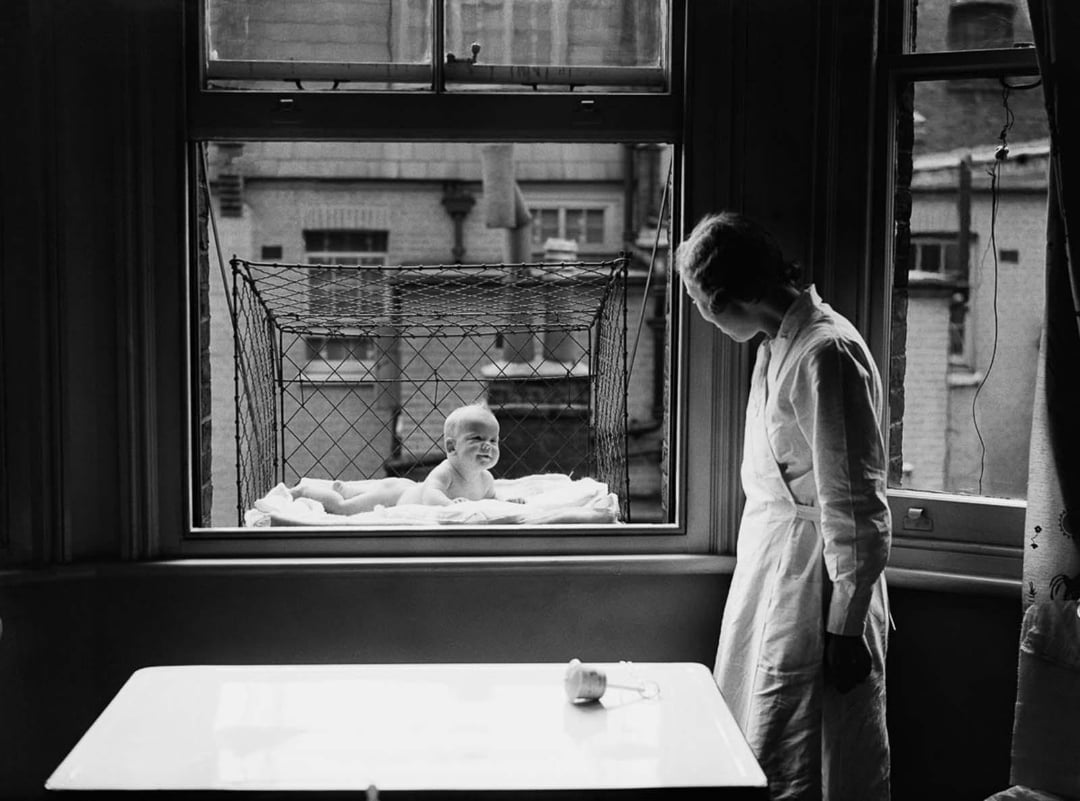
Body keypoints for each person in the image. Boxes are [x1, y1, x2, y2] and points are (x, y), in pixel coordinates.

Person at [675, 211, 892, 801]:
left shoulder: (826, 353)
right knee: (763, 733)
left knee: (815, 744)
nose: (700, 315)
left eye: (701, 301)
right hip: (774, 566)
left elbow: (856, 504)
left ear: (734, 294)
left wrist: (845, 627)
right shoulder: (777, 347)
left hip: (817, 577)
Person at [289, 403, 505, 513]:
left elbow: (492, 501)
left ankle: (344, 488)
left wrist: (509, 503)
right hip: (394, 497)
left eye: (493, 441)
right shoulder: (446, 471)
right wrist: (450, 505)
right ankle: (306, 490)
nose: (488, 445)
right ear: (451, 447)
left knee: (357, 490)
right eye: (477, 438)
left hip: (407, 487)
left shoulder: (486, 479)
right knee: (344, 508)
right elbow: (431, 496)